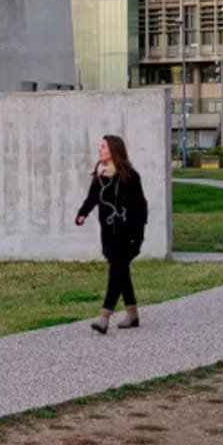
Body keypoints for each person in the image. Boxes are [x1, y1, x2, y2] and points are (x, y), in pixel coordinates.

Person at [75, 135, 149, 334]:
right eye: (100, 147)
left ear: (114, 151)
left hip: (128, 234)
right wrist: (82, 213)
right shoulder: (100, 175)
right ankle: (132, 314)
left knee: (116, 271)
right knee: (121, 272)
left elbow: (140, 208)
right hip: (108, 233)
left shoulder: (130, 177)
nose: (100, 150)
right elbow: (92, 198)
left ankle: (104, 317)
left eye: (104, 147)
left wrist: (138, 236)